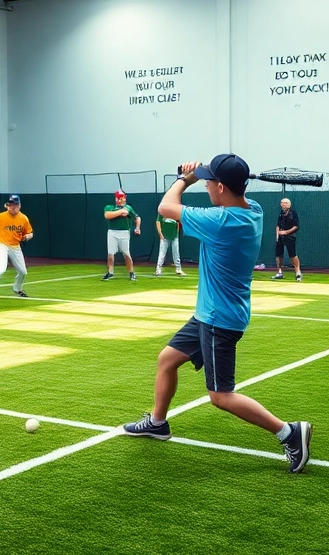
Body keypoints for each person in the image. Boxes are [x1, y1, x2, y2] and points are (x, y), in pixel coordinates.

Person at [123, 155, 312, 473]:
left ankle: (289, 433)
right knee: (167, 360)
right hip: (210, 313)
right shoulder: (254, 210)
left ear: (222, 187)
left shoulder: (220, 221)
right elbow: (230, 196)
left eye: (211, 181)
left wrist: (185, 179)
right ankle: (158, 422)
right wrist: (212, 177)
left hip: (218, 319)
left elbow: (166, 208)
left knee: (221, 396)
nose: (206, 184)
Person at [0, 195, 34, 304]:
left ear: (19, 206)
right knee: (1, 268)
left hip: (15, 246)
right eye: (10, 205)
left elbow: (30, 232)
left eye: (14, 205)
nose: (12, 207)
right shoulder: (1, 217)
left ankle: (17, 288)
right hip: (1, 243)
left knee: (23, 272)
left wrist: (28, 236)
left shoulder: (23, 218)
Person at [103, 190, 141, 281]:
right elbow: (107, 215)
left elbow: (137, 217)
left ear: (124, 198)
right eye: (118, 198)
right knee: (110, 253)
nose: (120, 200)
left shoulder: (128, 208)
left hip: (124, 232)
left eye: (121, 198)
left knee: (126, 254)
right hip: (112, 232)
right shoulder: (110, 207)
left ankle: (131, 273)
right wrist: (120, 212)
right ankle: (110, 272)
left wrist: (137, 228)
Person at [272, 198, 302, 281]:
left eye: (286, 203)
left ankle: (298, 273)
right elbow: (278, 225)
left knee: (292, 254)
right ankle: (280, 273)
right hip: (280, 238)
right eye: (282, 203)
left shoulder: (293, 214)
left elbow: (296, 227)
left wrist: (286, 232)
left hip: (290, 237)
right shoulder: (281, 214)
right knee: (278, 255)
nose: (284, 204)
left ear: (289, 205)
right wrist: (277, 234)